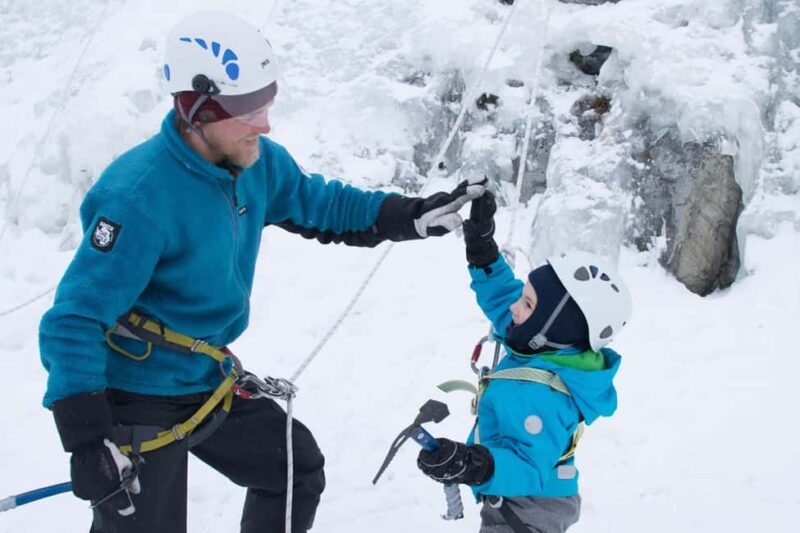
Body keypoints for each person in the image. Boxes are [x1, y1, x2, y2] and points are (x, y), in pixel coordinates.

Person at [39, 11, 487, 533]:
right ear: (195, 108)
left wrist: (408, 215)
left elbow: (323, 204)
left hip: (205, 381)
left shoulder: (256, 163)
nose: (265, 123)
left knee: (294, 469)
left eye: (266, 102)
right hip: (136, 393)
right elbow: (74, 318)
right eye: (247, 109)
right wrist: (88, 441)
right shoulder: (137, 197)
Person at [416, 191, 632, 533]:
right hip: (511, 493)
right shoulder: (539, 340)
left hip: (530, 509)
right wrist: (483, 253)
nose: (516, 309)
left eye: (528, 304)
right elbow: (505, 298)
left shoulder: (545, 397)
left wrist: (474, 464)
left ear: (554, 327)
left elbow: (528, 468)